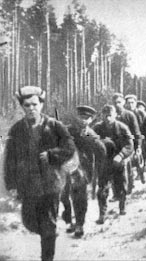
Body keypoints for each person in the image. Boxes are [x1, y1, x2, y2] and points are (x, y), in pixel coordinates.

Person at [4, 86, 76, 261]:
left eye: (34, 104)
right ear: (22, 107)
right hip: (28, 185)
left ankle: (48, 252)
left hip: (51, 183)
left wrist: (52, 154)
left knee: (48, 226)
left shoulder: (54, 126)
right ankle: (48, 232)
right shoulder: (16, 130)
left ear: (41, 105)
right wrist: (11, 184)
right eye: (27, 105)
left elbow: (70, 148)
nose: (31, 108)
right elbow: (9, 159)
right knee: (29, 221)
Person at [60, 105, 107, 238]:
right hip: (65, 168)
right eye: (81, 117)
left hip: (83, 170)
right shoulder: (67, 130)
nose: (83, 121)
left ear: (91, 120)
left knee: (79, 198)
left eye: (87, 118)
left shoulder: (91, 133)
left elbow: (102, 151)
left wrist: (91, 139)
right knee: (64, 197)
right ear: (77, 117)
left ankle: (79, 224)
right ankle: (69, 221)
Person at [93, 105, 134, 224]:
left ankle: (122, 206)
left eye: (110, 115)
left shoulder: (122, 127)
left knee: (121, 185)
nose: (108, 118)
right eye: (105, 115)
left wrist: (121, 155)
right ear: (102, 116)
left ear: (115, 115)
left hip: (118, 161)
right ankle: (102, 214)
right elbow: (90, 138)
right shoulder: (97, 127)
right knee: (102, 189)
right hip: (104, 162)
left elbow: (130, 144)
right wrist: (86, 134)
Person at [112, 93, 142, 194]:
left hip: (129, 145)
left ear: (123, 103)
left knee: (126, 166)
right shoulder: (111, 115)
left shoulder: (129, 115)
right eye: (115, 103)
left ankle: (126, 190)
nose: (117, 104)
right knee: (114, 168)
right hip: (115, 146)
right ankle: (117, 192)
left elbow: (136, 132)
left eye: (119, 102)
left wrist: (138, 147)